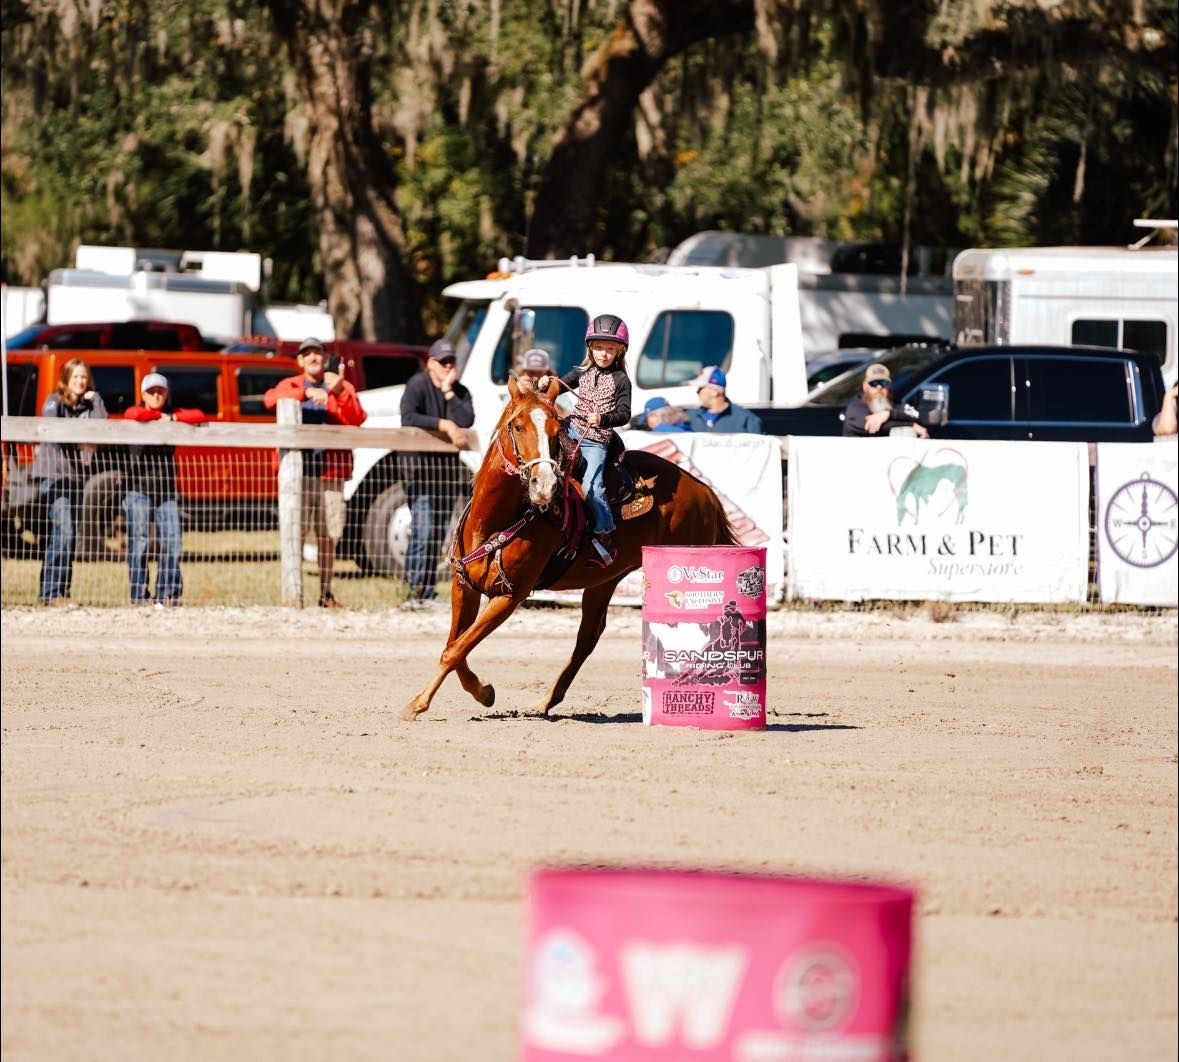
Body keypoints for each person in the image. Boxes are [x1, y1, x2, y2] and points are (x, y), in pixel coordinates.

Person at [264, 337, 368, 608]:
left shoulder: (341, 386)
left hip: (330, 474)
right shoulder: (291, 385)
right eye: (307, 354)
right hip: (296, 476)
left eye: (318, 353)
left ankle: (326, 593)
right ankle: (294, 593)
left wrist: (337, 393)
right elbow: (270, 400)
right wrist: (306, 394)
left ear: (325, 359)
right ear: (300, 361)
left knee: (328, 536)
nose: (313, 358)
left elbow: (357, 418)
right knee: (294, 533)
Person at [538, 313, 632, 567]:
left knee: (592, 485)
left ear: (619, 352)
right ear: (590, 348)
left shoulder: (621, 380)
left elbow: (625, 414)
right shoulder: (582, 372)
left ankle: (605, 533)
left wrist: (601, 418)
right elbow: (558, 385)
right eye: (599, 347)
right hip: (570, 430)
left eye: (610, 349)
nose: (603, 353)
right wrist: (547, 381)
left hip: (595, 441)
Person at [400, 338, 476, 607]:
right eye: (442, 361)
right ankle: (412, 590)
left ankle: (428, 591)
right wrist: (444, 424)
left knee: (439, 532)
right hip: (419, 471)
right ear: (429, 363)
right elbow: (408, 417)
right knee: (422, 529)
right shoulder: (416, 385)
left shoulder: (460, 391)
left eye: (451, 362)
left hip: (446, 472)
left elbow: (466, 420)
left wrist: (447, 392)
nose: (447, 366)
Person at [122, 373, 208, 606]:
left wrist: (171, 418)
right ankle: (139, 596)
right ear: (143, 394)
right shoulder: (138, 415)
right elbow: (134, 413)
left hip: (166, 491)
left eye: (160, 391)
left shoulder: (172, 416)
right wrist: (160, 417)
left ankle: (167, 593)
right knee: (139, 543)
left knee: (172, 542)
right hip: (137, 489)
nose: (156, 395)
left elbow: (199, 415)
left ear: (167, 393)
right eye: (152, 391)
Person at [31, 358, 108, 606]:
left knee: (69, 535)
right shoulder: (54, 400)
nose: (80, 381)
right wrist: (81, 440)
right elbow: (54, 428)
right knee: (63, 531)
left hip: (75, 477)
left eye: (84, 377)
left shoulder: (88, 405)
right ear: (66, 379)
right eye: (75, 377)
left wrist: (95, 400)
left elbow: (101, 425)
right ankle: (51, 593)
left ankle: (59, 591)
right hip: (54, 476)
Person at [841, 363, 928, 438]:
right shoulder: (856, 408)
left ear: (890, 386)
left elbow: (917, 417)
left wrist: (889, 414)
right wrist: (911, 425)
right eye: (873, 383)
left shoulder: (896, 404)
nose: (879, 387)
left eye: (883, 383)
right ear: (865, 386)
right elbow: (871, 427)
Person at [686, 366, 763, 434]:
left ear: (714, 392)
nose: (697, 392)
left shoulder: (746, 419)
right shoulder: (688, 418)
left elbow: (760, 447)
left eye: (701, 388)